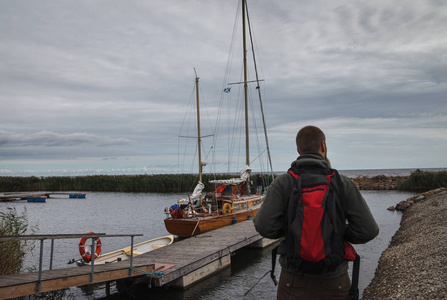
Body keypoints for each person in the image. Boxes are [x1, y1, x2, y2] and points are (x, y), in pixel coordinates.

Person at [254, 125, 379, 300]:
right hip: (335, 281)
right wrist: (337, 234)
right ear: (323, 146)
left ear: (298, 150)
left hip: (292, 281)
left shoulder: (282, 183)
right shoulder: (343, 184)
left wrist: (293, 232)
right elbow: (369, 230)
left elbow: (263, 226)